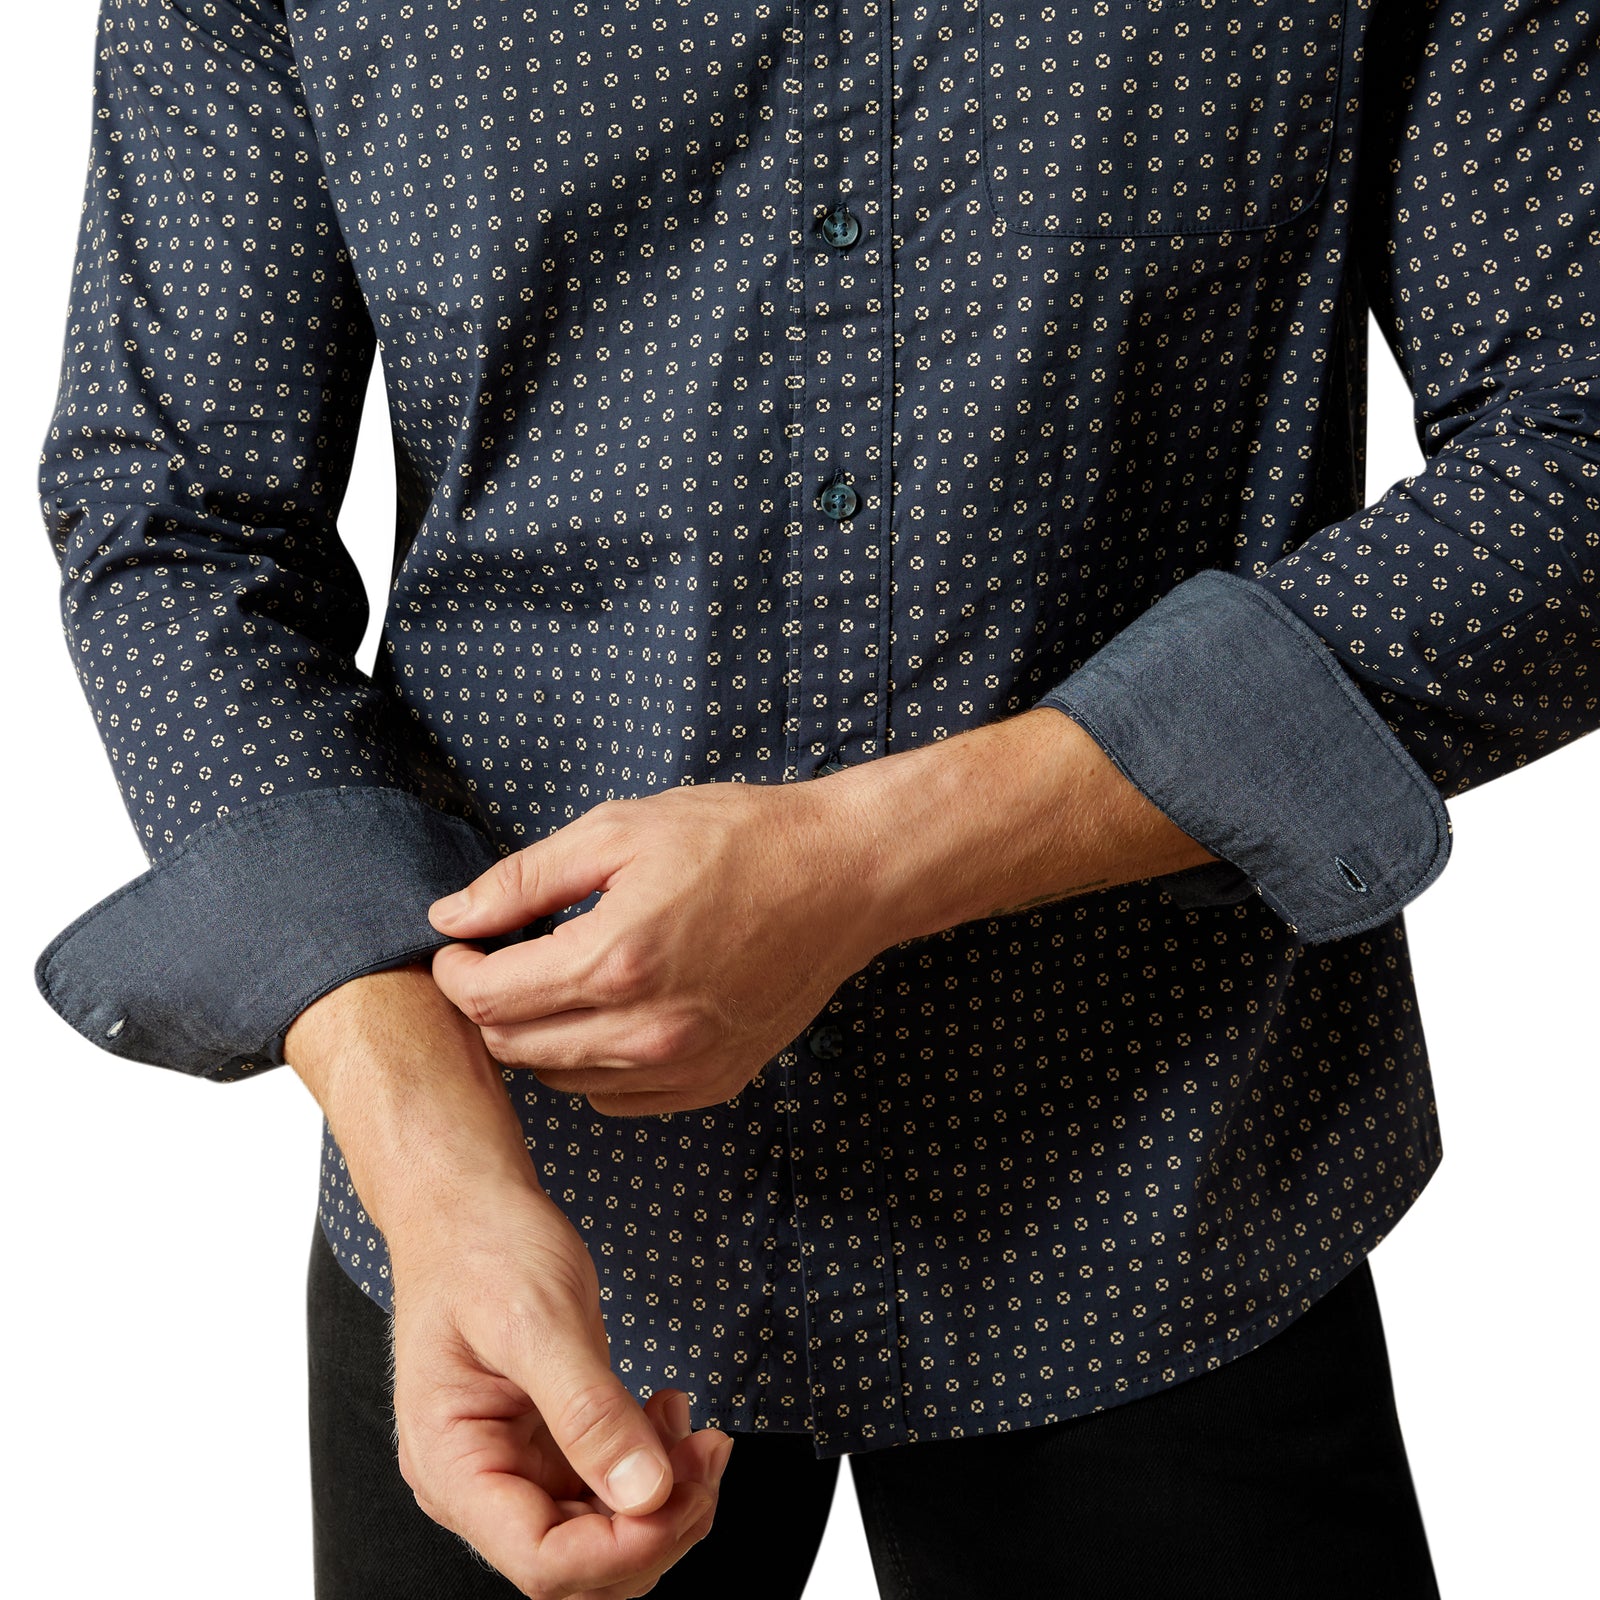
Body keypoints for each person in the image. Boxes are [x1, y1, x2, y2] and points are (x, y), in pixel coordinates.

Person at [31, 0, 1596, 1595]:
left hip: (1164, 1181)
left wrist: (865, 863)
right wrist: (433, 1164)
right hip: (512, 1228)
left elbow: (1576, 456)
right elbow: (177, 524)